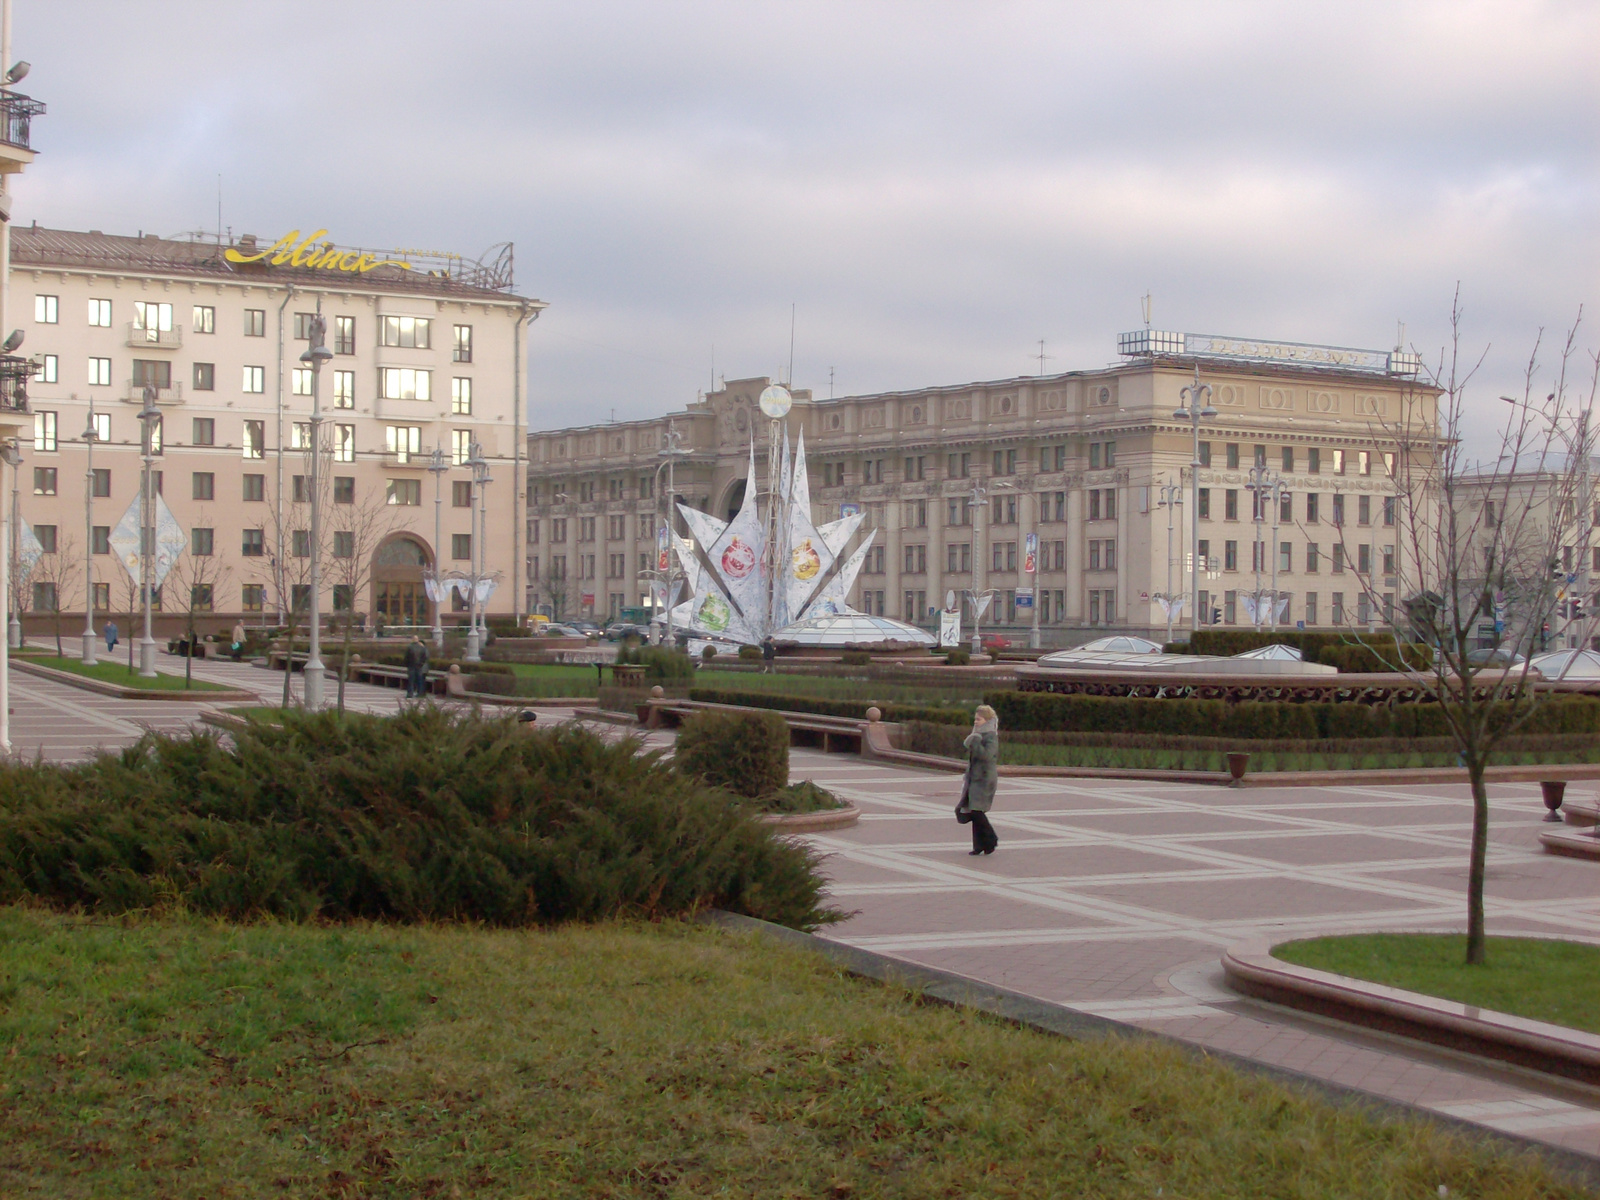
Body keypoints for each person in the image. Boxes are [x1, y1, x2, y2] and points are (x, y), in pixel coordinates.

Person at [956, 704, 1000, 856]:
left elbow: (987, 756)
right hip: (974, 778)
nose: (975, 722)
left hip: (984, 779)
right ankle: (980, 846)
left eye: (979, 719)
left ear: (987, 721)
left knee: (976, 811)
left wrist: (975, 742)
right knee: (974, 810)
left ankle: (991, 840)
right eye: (975, 719)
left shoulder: (990, 736)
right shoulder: (978, 734)